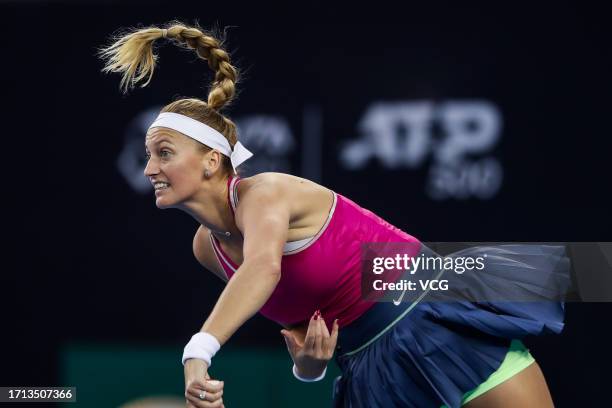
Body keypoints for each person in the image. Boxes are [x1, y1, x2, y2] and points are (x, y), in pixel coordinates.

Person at [100, 22, 571, 408]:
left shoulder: (266, 192)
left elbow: (265, 267)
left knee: (591, 271)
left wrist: (198, 350)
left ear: (211, 161)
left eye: (163, 153)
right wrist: (309, 367)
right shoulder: (207, 249)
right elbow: (306, 330)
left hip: (432, 307)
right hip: (372, 365)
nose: (149, 169)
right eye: (148, 155)